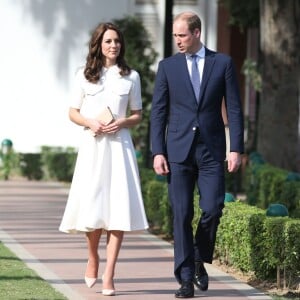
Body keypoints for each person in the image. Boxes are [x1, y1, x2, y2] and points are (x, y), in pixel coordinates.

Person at [150, 12, 244, 298]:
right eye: (175, 36)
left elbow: (236, 108)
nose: (178, 40)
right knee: (181, 214)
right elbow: (159, 112)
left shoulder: (223, 63)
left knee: (214, 207)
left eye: (182, 35)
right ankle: (186, 279)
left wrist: (236, 148)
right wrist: (157, 151)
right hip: (178, 151)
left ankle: (198, 257)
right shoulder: (167, 67)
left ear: (197, 33)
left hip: (211, 149)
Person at [59, 22, 148, 296]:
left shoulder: (131, 76)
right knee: (93, 206)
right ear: (98, 44)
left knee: (118, 210)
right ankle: (93, 257)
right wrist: (89, 122)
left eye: (117, 41)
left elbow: (137, 115)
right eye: (108, 41)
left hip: (119, 148)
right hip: (93, 147)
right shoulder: (84, 75)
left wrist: (122, 122)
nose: (114, 45)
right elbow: (72, 112)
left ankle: (110, 274)